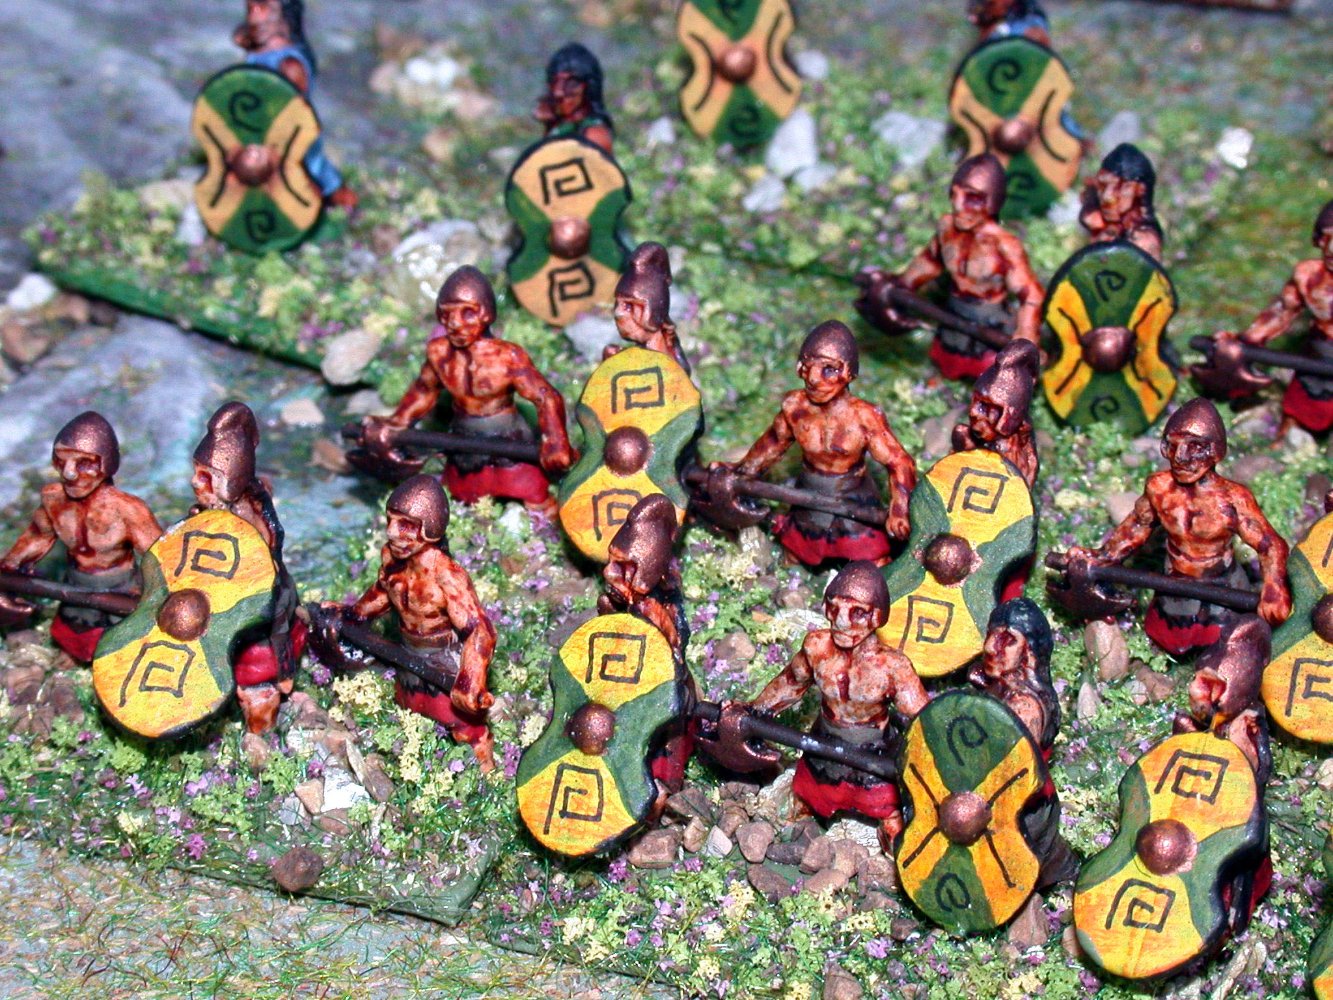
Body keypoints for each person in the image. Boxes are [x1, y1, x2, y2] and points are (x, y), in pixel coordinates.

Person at [1058, 399, 1290, 655]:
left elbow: (1270, 544)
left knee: (1225, 645)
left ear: (1215, 451)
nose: (1180, 457)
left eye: (1194, 447)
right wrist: (1102, 557)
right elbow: (1137, 526)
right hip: (1174, 583)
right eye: (1172, 445)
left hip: (1222, 585)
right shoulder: (1159, 489)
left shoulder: (1232, 500)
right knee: (1170, 640)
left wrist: (1274, 589)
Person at [361, 267, 577, 518]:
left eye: (468, 313)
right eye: (447, 314)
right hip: (463, 438)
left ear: (486, 314)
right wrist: (397, 422)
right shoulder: (439, 353)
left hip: (508, 437)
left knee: (532, 490)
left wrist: (556, 440)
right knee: (462, 493)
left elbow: (545, 396)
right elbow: (424, 390)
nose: (455, 323)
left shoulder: (507, 357)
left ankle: (545, 523)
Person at [744, 562, 929, 852]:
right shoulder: (816, 647)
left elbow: (922, 718)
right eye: (834, 608)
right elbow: (790, 683)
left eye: (857, 612)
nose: (841, 622)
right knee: (803, 800)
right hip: (823, 743)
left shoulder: (892, 667)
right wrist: (754, 711)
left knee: (890, 816)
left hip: (874, 753)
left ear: (877, 617)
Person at [713, 321, 915, 567]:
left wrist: (900, 509)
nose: (813, 378)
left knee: (872, 560)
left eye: (828, 369)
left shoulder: (865, 417)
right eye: (807, 367)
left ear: (848, 373)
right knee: (797, 551)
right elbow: (772, 444)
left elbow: (899, 461)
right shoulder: (795, 408)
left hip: (854, 499)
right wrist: (741, 472)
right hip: (808, 495)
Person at [337, 475, 497, 770]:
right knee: (410, 706)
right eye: (390, 521)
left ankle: (486, 769)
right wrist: (355, 615)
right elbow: (383, 591)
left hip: (444, 659)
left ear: (430, 529)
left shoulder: (447, 575)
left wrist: (470, 679)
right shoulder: (391, 558)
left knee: (463, 724)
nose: (391, 532)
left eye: (406, 525)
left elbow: (479, 630)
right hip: (409, 653)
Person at [856, 155, 1045, 380]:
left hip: (991, 321)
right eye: (954, 195)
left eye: (972, 198)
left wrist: (1025, 338)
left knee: (992, 374)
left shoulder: (1004, 245)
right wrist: (900, 284)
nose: (958, 206)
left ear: (992, 202)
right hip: (953, 313)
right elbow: (930, 261)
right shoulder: (947, 228)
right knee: (948, 362)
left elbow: (1031, 295)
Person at [0, 413, 161, 662]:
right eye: (60, 461)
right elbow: (37, 537)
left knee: (121, 643)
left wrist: (161, 595)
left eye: (84, 463)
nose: (69, 473)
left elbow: (160, 557)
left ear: (107, 464)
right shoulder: (53, 499)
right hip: (75, 583)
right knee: (73, 634)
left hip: (121, 588)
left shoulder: (128, 510)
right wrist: (8, 568)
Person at [190, 402, 304, 733]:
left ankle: (261, 733)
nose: (195, 483)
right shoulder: (207, 515)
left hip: (257, 623)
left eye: (205, 477)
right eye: (196, 473)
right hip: (214, 619)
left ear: (231, 479)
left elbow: (256, 583)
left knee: (257, 687)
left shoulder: (250, 523)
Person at [597, 494, 694, 815]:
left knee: (659, 756)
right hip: (623, 685)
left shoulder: (654, 612)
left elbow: (669, 661)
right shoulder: (621, 601)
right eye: (612, 562)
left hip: (660, 695)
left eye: (622, 568)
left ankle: (658, 796)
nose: (609, 573)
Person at [969, 599, 1076, 885]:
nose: (990, 647)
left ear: (1028, 652)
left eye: (1007, 640)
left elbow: (1007, 769)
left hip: (1021, 806)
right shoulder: (1001, 687)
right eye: (991, 635)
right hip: (996, 794)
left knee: (1015, 867)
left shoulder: (1025, 707)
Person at [1210, 200, 1333, 434]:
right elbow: (1281, 311)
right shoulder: (1308, 276)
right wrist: (1247, 341)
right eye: (1326, 237)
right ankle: (1291, 432)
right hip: (1320, 351)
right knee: (1307, 401)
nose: (1331, 249)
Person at [233, 0, 357, 209]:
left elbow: (293, 109)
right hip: (259, 127)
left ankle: (337, 200)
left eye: (264, 8)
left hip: (290, 131)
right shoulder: (258, 47)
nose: (255, 16)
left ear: (283, 18)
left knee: (310, 170)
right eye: (251, 8)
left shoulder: (290, 65)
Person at [951, 339, 1040, 487]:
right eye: (978, 404)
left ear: (1008, 417)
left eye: (991, 410)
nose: (974, 413)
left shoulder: (1017, 450)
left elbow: (1024, 481)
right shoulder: (969, 436)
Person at [605, 242, 690, 372]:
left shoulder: (669, 365)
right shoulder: (627, 357)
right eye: (617, 303)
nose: (618, 312)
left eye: (628, 306)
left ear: (651, 312)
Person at [1079, 143, 1164, 261]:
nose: (1106, 196)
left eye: (1118, 188)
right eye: (1103, 185)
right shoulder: (1102, 224)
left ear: (1139, 190)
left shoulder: (1143, 242)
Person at [534, 43, 614, 155]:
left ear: (589, 88)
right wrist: (549, 126)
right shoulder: (560, 128)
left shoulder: (594, 134)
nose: (558, 92)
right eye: (555, 82)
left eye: (571, 84)